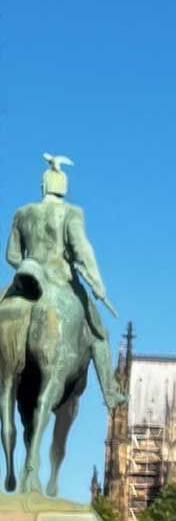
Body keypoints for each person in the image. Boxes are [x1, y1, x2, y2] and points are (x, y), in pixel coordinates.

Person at [3, 155, 126, 409]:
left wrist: (31, 265)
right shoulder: (71, 212)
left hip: (29, 276)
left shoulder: (23, 213)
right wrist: (98, 284)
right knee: (99, 334)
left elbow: (12, 256)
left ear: (43, 186)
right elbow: (83, 250)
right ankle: (111, 393)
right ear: (63, 187)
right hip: (62, 279)